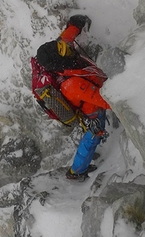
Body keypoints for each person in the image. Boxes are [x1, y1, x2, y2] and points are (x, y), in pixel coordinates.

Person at [36, 14, 112, 181]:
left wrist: (75, 26)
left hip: (90, 92)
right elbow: (106, 101)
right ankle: (76, 172)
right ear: (59, 62)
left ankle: (77, 170)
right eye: (63, 49)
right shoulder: (72, 84)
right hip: (92, 110)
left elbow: (65, 39)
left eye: (62, 46)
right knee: (92, 137)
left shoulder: (61, 54)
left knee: (92, 137)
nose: (67, 47)